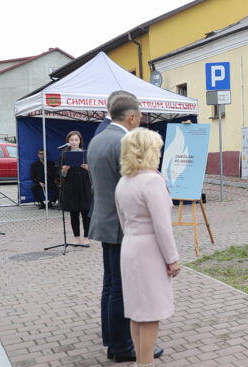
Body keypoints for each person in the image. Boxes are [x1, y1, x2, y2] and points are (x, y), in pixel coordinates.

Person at [88, 91, 163, 362]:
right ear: (131, 117)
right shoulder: (122, 141)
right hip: (123, 226)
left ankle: (112, 337)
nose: (139, 122)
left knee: (110, 284)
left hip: (104, 219)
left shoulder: (98, 138)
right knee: (122, 287)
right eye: (140, 117)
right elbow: (133, 186)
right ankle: (122, 346)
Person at [116, 128, 180, 367]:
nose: (160, 153)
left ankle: (140, 363)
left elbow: (123, 220)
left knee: (136, 311)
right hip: (150, 250)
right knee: (151, 313)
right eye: (157, 149)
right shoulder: (152, 181)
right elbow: (163, 226)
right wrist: (172, 259)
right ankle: (146, 364)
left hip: (130, 245)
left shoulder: (124, 181)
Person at [60, 131, 92, 245]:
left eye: (76, 140)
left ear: (80, 141)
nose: (73, 142)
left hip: (84, 184)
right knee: (74, 212)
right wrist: (64, 170)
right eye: (71, 140)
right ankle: (76, 236)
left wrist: (88, 168)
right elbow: (60, 174)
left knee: (86, 212)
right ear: (68, 141)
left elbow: (94, 171)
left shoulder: (86, 153)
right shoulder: (64, 154)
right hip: (71, 185)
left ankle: (87, 237)